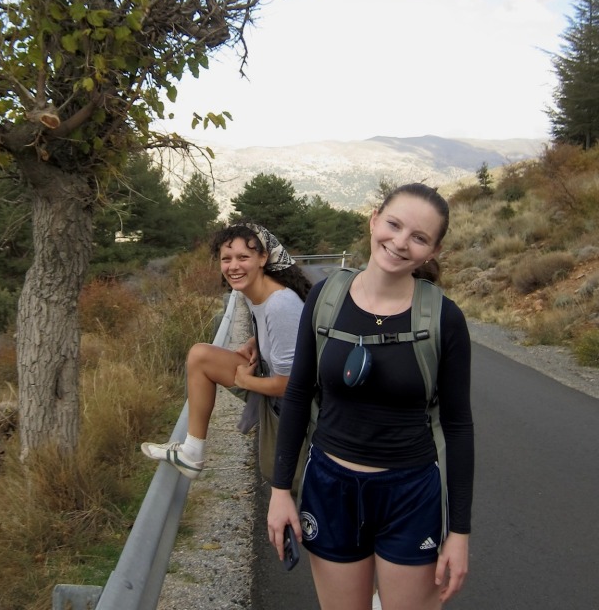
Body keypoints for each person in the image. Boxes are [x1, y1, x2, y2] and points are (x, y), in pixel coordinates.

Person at [267, 183, 474, 610]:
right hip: (329, 486)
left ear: (433, 251)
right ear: (374, 219)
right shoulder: (326, 299)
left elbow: (458, 427)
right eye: (394, 225)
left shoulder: (444, 318)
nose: (400, 242)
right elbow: (299, 393)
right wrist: (281, 490)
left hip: (410, 493)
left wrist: (459, 533)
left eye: (419, 237)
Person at [141, 221, 312, 480]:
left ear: (263, 258)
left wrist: (247, 381)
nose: (233, 266)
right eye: (226, 258)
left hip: (292, 411)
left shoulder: (280, 304)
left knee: (289, 485)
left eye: (243, 257)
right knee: (200, 356)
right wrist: (257, 341)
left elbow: (293, 385)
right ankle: (192, 451)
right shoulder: (254, 293)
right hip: (276, 393)